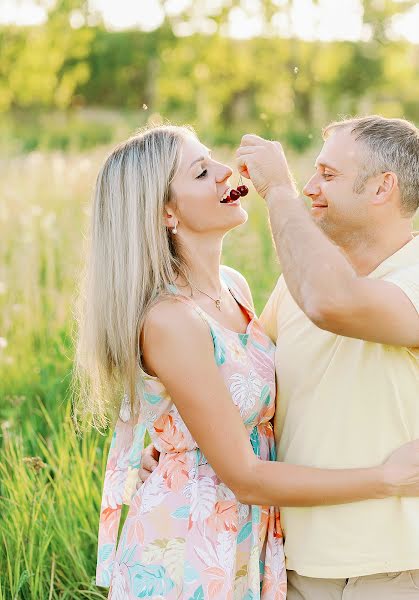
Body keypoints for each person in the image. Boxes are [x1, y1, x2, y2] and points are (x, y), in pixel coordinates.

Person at [74, 124, 419, 600]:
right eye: (201, 171)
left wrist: (176, 436)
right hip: (196, 543)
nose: (226, 172)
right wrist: (386, 479)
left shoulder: (237, 288)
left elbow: (258, 381)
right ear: (166, 212)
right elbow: (244, 466)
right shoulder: (175, 318)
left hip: (260, 541)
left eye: (213, 160)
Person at [235, 115, 419, 599]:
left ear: (382, 188)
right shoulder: (302, 280)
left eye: (328, 175)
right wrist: (176, 447)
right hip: (294, 562)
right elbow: (249, 386)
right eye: (310, 175)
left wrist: (278, 190)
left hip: (397, 568)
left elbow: (331, 304)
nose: (310, 188)